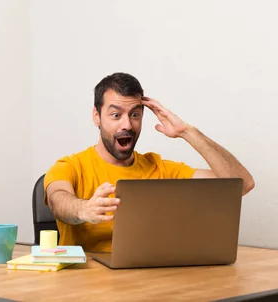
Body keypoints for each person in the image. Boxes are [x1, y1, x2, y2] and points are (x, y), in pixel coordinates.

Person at [43, 72, 255, 253]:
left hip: (151, 285)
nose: (127, 124)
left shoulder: (159, 168)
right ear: (97, 117)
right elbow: (58, 200)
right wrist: (84, 209)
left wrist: (188, 132)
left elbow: (241, 185)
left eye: (135, 114)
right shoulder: (70, 166)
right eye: (116, 115)